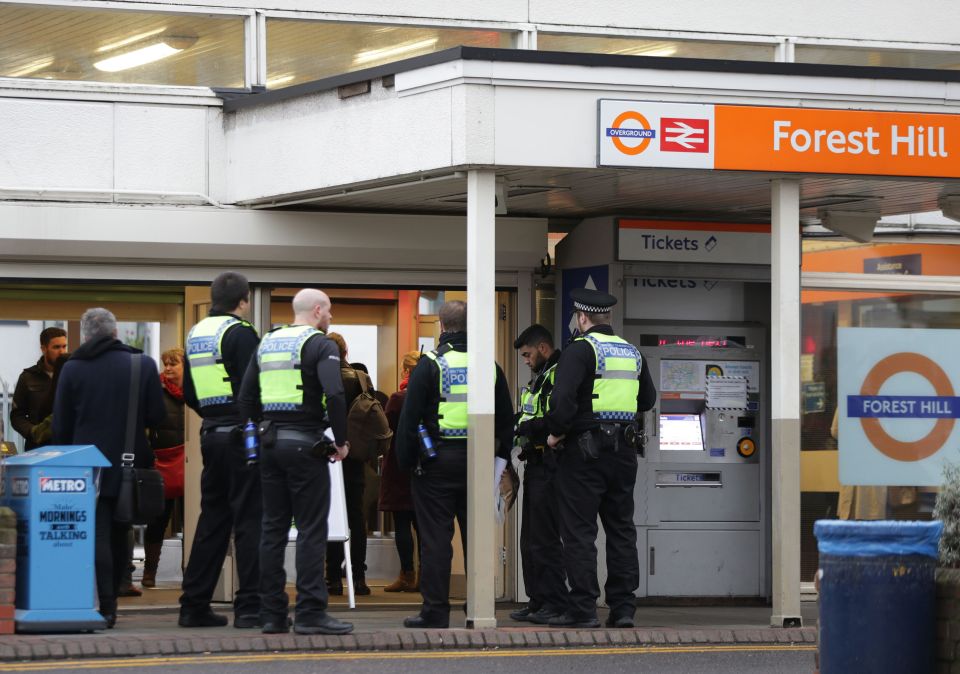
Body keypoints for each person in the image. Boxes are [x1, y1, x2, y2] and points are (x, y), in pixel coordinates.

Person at [238, 288, 353, 636]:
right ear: (317, 310)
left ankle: (272, 614)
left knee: (272, 528)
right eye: (329, 310)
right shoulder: (321, 344)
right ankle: (310, 613)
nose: (331, 317)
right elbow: (334, 393)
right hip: (306, 446)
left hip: (270, 445)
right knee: (310, 530)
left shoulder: (267, 343)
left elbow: (245, 398)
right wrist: (342, 440)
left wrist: (261, 428)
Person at [395, 301, 514, 628]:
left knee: (436, 539)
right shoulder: (488, 366)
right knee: (477, 539)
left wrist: (406, 463)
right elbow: (506, 421)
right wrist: (500, 465)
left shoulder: (430, 364)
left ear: (442, 328)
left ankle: (435, 612)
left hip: (435, 464)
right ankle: (478, 608)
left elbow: (409, 420)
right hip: (477, 462)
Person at [542, 289, 656, 629]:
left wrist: (555, 432)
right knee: (621, 529)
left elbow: (561, 403)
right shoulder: (632, 352)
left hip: (584, 453)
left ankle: (583, 609)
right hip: (623, 453)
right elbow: (647, 399)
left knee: (579, 532)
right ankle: (622, 608)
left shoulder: (580, 350)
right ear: (608, 318)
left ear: (582, 318)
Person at [52, 308, 165, 628]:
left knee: (98, 533)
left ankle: (107, 606)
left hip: (88, 467)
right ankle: (118, 589)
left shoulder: (72, 368)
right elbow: (157, 416)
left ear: (86, 335)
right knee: (123, 529)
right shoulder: (141, 364)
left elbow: (60, 427)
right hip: (131, 462)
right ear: (115, 332)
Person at [179, 272, 262, 629]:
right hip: (241, 435)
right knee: (249, 520)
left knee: (212, 520)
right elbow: (253, 388)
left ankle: (194, 604)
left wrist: (214, 415)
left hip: (211, 433)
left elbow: (189, 393)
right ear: (243, 301)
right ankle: (250, 608)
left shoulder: (196, 334)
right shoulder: (241, 333)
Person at [511, 324, 566, 624]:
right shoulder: (540, 378)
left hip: (551, 466)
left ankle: (554, 601)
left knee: (545, 538)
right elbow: (530, 414)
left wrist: (526, 428)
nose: (526, 360)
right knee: (530, 538)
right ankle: (538, 600)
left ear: (543, 349)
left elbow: (556, 417)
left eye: (528, 354)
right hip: (535, 463)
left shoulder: (558, 375)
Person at [324, 333, 372, 596]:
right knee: (356, 517)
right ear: (346, 352)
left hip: (329, 454)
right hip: (355, 455)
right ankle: (359, 578)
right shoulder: (361, 379)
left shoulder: (321, 378)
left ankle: (332, 577)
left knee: (331, 516)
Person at [143, 348, 187, 589]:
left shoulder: (195, 391)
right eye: (166, 364)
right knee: (158, 519)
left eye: (174, 364)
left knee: (190, 522)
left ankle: (189, 570)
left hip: (189, 461)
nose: (168, 368)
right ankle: (149, 572)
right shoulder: (155, 391)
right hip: (162, 461)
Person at [379, 351, 422, 593]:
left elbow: (386, 431)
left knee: (402, 524)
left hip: (398, 466)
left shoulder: (397, 399)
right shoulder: (430, 396)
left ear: (406, 371)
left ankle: (407, 574)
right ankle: (425, 575)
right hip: (424, 466)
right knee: (424, 526)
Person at [11, 326, 68, 450]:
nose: (62, 352)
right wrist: (33, 432)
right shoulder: (28, 377)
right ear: (44, 349)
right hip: (37, 447)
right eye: (56, 347)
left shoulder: (72, 375)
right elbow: (17, 416)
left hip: (67, 445)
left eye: (64, 346)